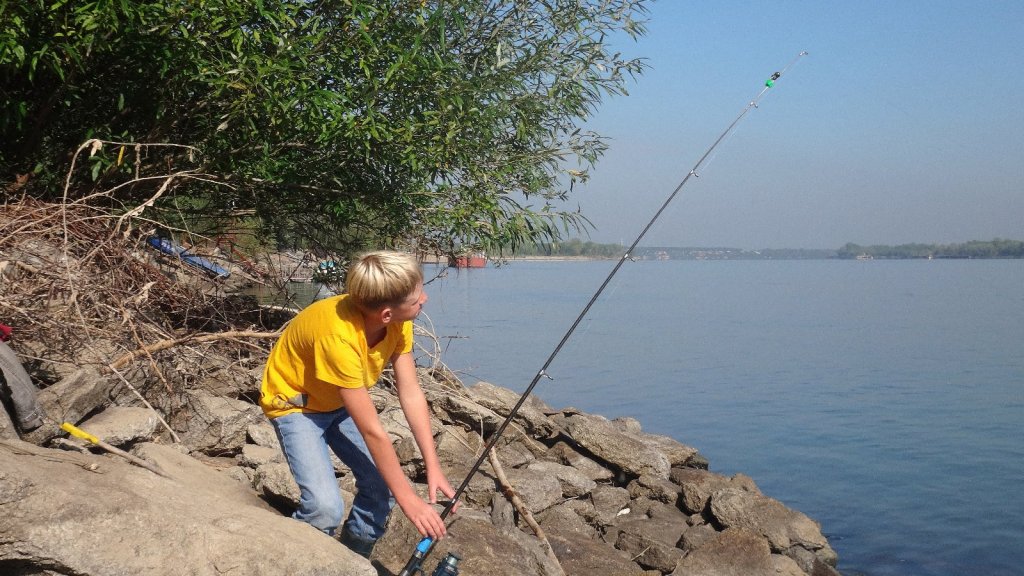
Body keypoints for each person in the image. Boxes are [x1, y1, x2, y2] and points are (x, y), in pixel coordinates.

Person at [259, 251, 456, 556]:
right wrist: (409, 501)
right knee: (325, 509)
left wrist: (434, 466)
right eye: (417, 298)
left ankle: (353, 559)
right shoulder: (338, 337)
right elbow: (372, 431)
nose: (425, 300)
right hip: (297, 405)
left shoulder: (397, 321)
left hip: (337, 401)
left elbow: (411, 391)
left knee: (383, 487)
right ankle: (296, 559)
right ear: (386, 313)